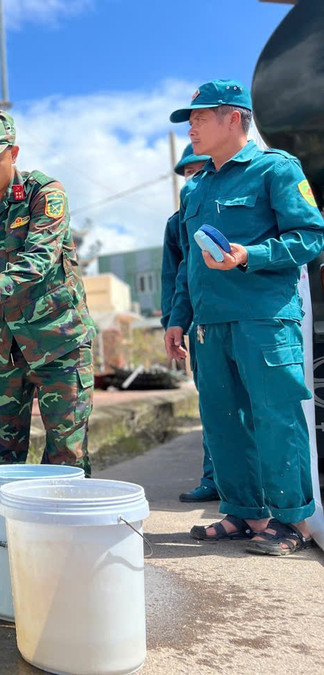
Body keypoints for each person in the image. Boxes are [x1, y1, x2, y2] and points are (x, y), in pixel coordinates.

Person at [165, 79, 324, 555]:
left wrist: (247, 255)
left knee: (276, 417)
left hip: (263, 319)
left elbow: (311, 237)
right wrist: (178, 318)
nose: (190, 126)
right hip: (209, 326)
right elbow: (189, 266)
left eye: (199, 117)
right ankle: (244, 512)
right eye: (189, 119)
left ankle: (292, 520)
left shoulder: (275, 169)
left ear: (233, 117)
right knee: (222, 421)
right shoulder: (196, 189)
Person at [0, 111, 96, 475]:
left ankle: (64, 531)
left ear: (13, 154)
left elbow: (39, 259)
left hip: (59, 342)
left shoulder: (45, 194)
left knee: (66, 459)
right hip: (4, 348)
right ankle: (4, 533)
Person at [160, 143, 219, 503]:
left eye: (200, 170)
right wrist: (173, 322)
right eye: (188, 173)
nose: (193, 179)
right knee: (213, 406)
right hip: (198, 326)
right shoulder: (176, 223)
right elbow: (174, 276)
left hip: (241, 319)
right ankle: (214, 479)